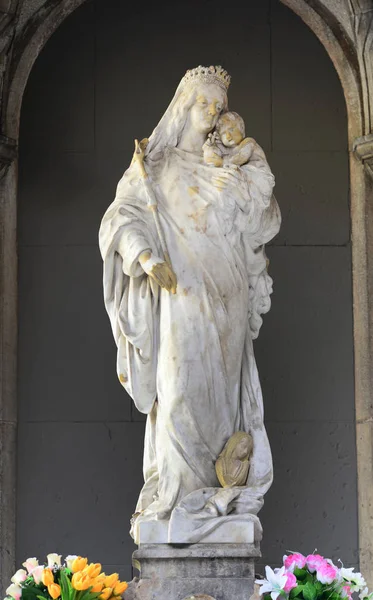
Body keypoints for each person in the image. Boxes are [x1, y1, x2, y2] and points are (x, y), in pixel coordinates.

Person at [99, 65, 281, 538]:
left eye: (219, 106)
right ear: (183, 106)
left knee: (223, 409)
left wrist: (247, 174)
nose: (212, 112)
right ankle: (174, 504)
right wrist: (144, 254)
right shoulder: (153, 165)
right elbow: (120, 217)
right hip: (181, 296)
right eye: (204, 102)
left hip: (228, 295)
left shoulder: (227, 163)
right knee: (178, 393)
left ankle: (221, 499)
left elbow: (260, 225)